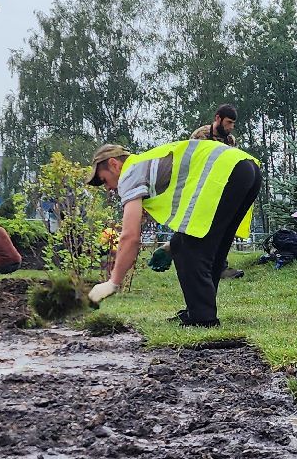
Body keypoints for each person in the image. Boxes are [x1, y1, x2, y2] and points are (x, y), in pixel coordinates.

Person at [85, 136, 261, 326]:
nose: (108, 188)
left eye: (104, 180)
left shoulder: (130, 173)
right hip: (246, 169)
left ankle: (202, 319)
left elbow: (129, 237)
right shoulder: (148, 165)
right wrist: (171, 246)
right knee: (208, 248)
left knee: (190, 250)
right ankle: (197, 311)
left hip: (226, 173)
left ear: (114, 164)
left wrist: (112, 283)